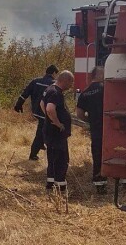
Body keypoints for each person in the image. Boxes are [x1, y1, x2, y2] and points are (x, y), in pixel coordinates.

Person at [14, 65, 59, 160]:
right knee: (41, 133)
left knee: (43, 130)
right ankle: (33, 154)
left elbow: (25, 93)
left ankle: (41, 144)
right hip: (45, 113)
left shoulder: (35, 81)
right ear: (54, 73)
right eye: (56, 74)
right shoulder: (54, 84)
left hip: (36, 111)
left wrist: (19, 104)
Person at [41, 70, 74, 194]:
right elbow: (49, 108)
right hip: (56, 134)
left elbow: (41, 104)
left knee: (53, 158)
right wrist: (57, 122)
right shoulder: (56, 92)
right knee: (61, 159)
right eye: (71, 81)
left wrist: (50, 119)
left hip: (51, 132)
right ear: (65, 80)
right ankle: (60, 188)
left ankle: (51, 185)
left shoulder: (49, 89)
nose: (71, 85)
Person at [76, 66, 107, 194]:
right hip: (111, 128)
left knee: (98, 154)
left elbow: (79, 114)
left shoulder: (84, 93)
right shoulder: (107, 89)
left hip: (96, 129)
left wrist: (90, 120)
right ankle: (125, 182)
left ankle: (100, 184)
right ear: (101, 75)